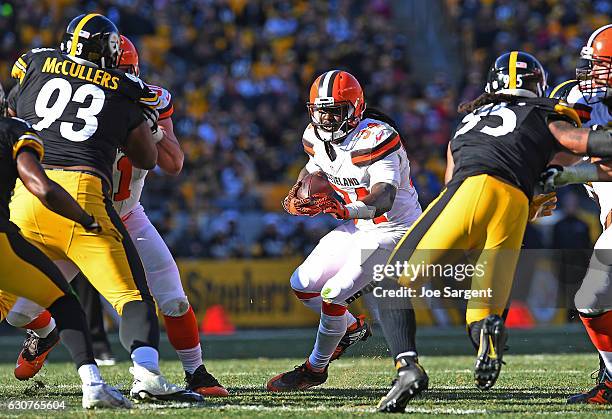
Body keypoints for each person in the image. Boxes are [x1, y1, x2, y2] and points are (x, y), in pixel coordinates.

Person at [377, 50, 611, 412]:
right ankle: (486, 329)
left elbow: (451, 178)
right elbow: (580, 147)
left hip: (469, 189)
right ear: (538, 87)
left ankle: (406, 366)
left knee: (392, 281)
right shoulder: (544, 112)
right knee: (485, 304)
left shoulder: (470, 118)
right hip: (515, 205)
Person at [5, 13, 202, 402]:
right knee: (131, 296)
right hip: (84, 199)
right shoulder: (126, 90)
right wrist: (145, 125)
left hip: (38, 196)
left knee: (165, 293)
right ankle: (144, 373)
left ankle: (195, 371)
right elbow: (147, 157)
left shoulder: (37, 64)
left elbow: (13, 119)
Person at [266, 70, 423, 393]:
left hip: (396, 230)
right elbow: (312, 169)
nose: (326, 118)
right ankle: (350, 330)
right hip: (358, 225)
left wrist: (344, 209)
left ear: (355, 109)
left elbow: (383, 197)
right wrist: (296, 193)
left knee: (332, 293)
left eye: (334, 110)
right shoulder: (314, 136)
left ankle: (314, 369)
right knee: (303, 284)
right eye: (320, 110)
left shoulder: (377, 138)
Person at [0, 102, 129, 408]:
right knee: (64, 302)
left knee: (18, 312)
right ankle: (93, 383)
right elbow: (43, 188)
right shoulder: (14, 131)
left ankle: (45, 334)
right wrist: (86, 219)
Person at [540, 24, 612, 404]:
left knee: (592, 298)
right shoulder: (582, 96)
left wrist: (564, 176)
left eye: (602, 65)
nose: (593, 73)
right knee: (593, 301)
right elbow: (560, 144)